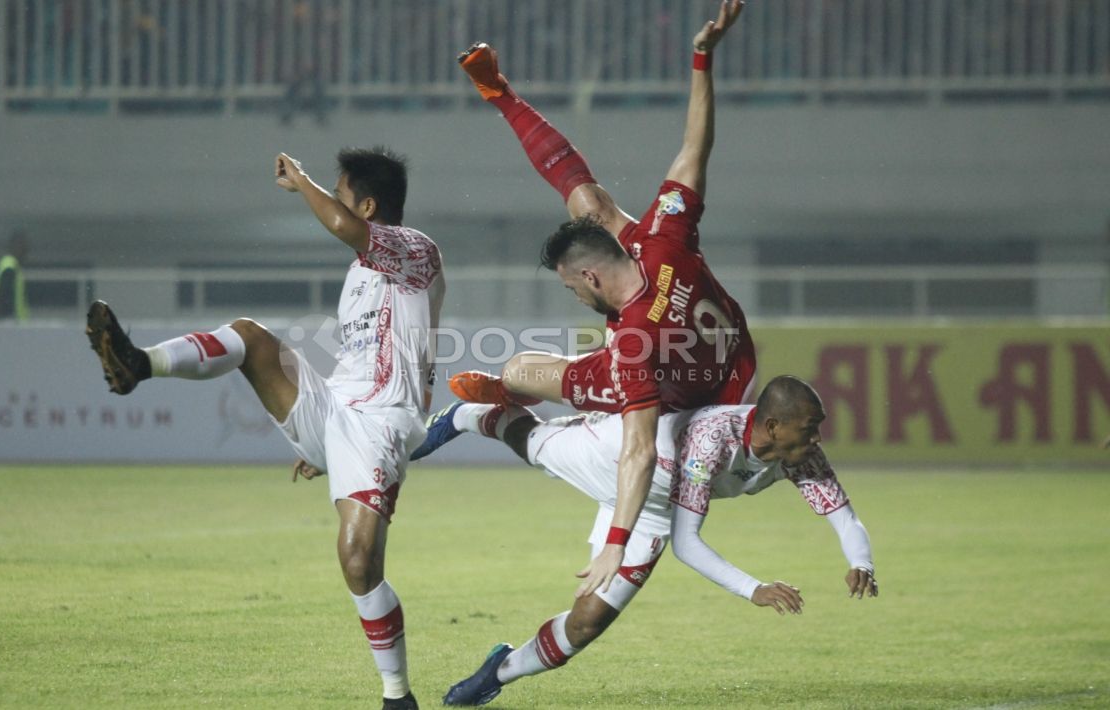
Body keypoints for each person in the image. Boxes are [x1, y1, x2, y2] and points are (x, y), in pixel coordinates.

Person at [84, 146, 443, 710]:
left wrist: (301, 181)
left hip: (380, 422)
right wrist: (324, 439)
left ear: (369, 205)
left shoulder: (417, 251)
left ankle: (397, 696)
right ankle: (138, 363)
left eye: (341, 190)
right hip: (336, 411)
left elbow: (343, 227)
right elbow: (366, 355)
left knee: (357, 560)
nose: (333, 199)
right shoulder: (358, 276)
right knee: (250, 336)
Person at [441, 0, 754, 599]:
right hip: (734, 357)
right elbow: (695, 149)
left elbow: (638, 449)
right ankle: (501, 94)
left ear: (589, 278)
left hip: (697, 408)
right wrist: (702, 57)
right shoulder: (666, 238)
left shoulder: (633, 341)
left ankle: (504, 400)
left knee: (522, 369)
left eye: (569, 286)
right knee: (590, 203)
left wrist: (615, 537)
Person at [415, 376, 876, 706]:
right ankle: (473, 415)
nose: (818, 437)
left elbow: (843, 515)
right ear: (773, 425)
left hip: (653, 508)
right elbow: (688, 544)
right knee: (533, 443)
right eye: (809, 427)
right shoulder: (713, 439)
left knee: (586, 625)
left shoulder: (798, 454)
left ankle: (498, 670)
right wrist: (753, 588)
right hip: (619, 457)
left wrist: (862, 562)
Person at [0, 229, 29, 322]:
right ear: (14, 246)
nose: (25, 251)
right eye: (23, 247)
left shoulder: (10, 264)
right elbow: (3, 294)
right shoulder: (10, 266)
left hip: (12, 322)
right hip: (10, 322)